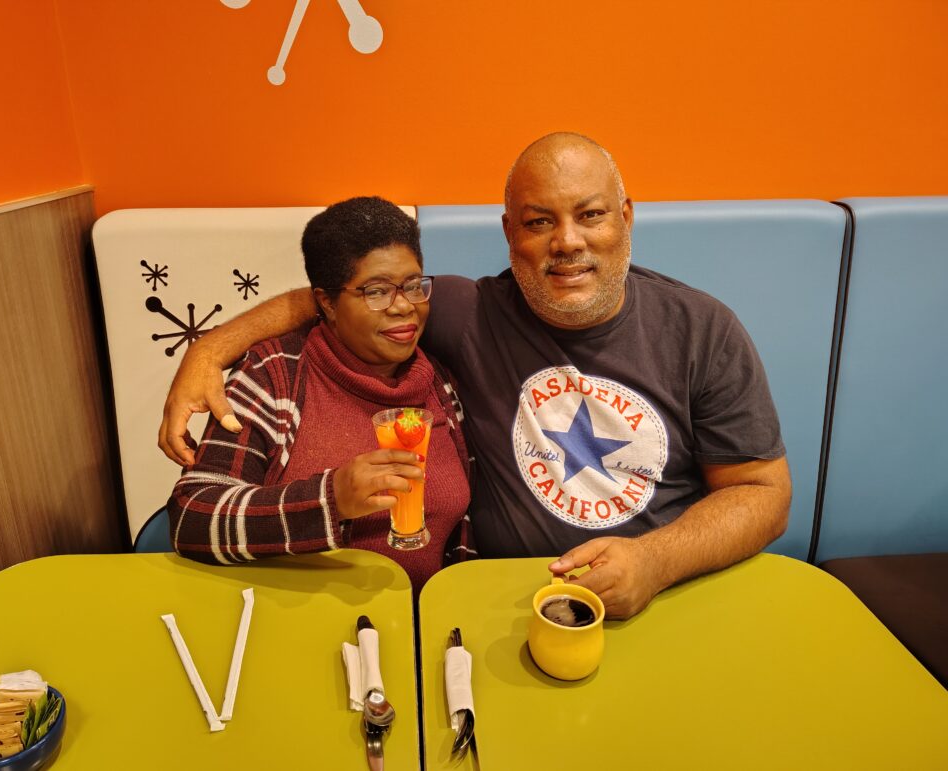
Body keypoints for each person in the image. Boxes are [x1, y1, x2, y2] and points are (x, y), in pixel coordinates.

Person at [160, 133, 792, 619]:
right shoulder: (467, 313)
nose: (567, 242)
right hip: (501, 606)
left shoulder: (703, 329)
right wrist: (211, 350)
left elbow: (763, 492)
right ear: (510, 233)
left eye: (591, 215)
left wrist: (655, 563)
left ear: (626, 217)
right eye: (539, 221)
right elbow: (346, 297)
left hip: (670, 596)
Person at [166, 196, 471, 591]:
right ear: (326, 302)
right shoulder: (276, 374)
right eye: (376, 291)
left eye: (412, 286)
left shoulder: (439, 380)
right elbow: (192, 516)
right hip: (301, 618)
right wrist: (330, 500)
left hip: (427, 614)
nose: (403, 307)